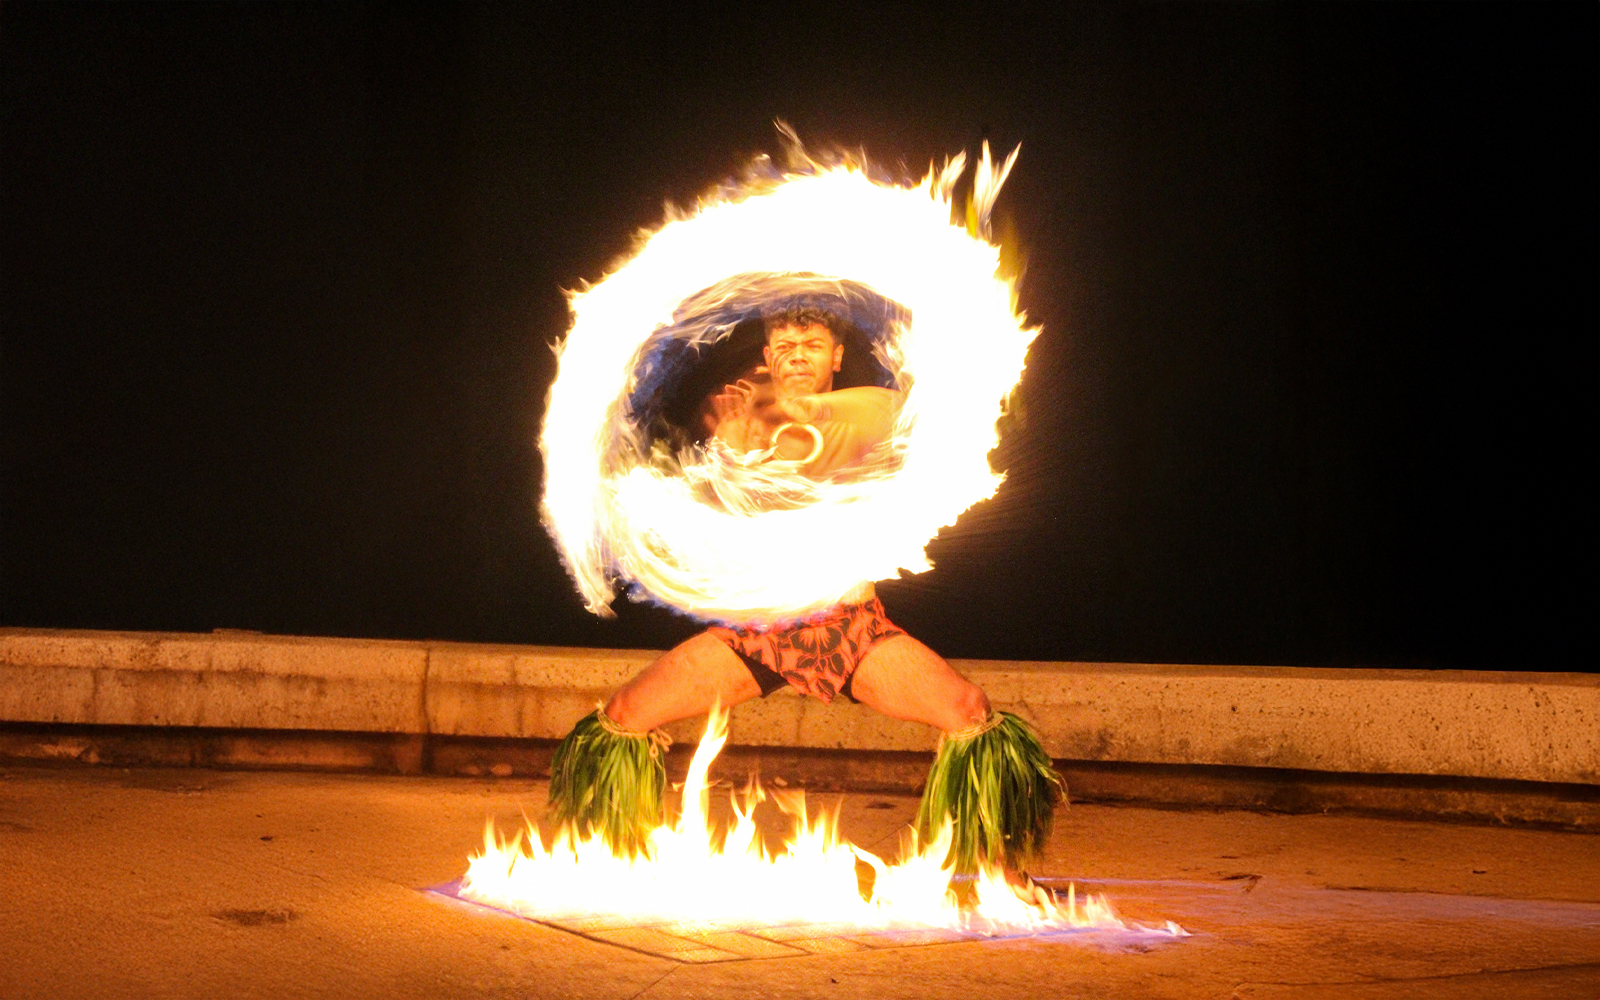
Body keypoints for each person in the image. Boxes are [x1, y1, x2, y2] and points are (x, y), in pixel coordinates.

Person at [547, 305, 1062, 878]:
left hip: (849, 629)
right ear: (767, 357)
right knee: (624, 713)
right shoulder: (741, 420)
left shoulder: (874, 410)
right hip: (758, 634)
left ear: (836, 356)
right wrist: (734, 455)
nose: (796, 354)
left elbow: (898, 414)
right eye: (784, 345)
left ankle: (1006, 876)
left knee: (969, 711)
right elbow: (719, 522)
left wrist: (804, 410)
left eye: (812, 344)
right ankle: (598, 859)